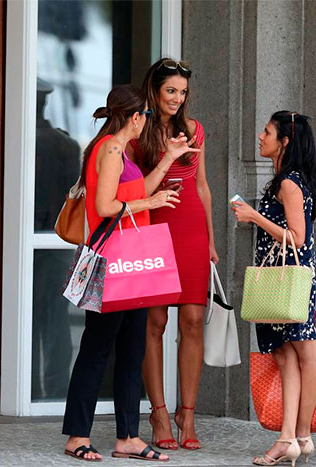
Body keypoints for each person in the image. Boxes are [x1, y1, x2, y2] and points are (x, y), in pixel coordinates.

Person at [62, 84, 199, 462]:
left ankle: (128, 437)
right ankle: (77, 435)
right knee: (97, 348)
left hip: (132, 265)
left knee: (132, 347)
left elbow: (138, 190)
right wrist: (149, 202)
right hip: (113, 262)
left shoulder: (120, 151)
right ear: (136, 116)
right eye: (147, 116)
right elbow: (106, 205)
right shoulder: (108, 149)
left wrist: (169, 159)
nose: (147, 122)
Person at [128, 58, 217, 451]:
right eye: (171, 91)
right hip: (153, 230)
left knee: (194, 320)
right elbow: (130, 191)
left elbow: (202, 186)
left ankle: (188, 413)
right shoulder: (139, 132)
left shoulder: (195, 130)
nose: (178, 99)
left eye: (182, 92)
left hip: (192, 229)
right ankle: (159, 411)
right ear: (155, 91)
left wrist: (211, 241)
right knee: (155, 323)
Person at [231, 111, 316, 467]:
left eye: (267, 131)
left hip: (287, 281)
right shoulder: (286, 179)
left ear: (284, 141)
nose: (260, 136)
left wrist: (254, 217)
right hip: (278, 281)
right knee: (285, 354)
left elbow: (298, 239)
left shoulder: (289, 183)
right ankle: (290, 438)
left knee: (306, 351)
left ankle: (299, 435)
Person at [33, 78, 80, 399]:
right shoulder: (66, 144)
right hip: (57, 240)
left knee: (30, 318)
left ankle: (31, 389)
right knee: (55, 319)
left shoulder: (26, 141)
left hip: (42, 242)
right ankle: (55, 390)